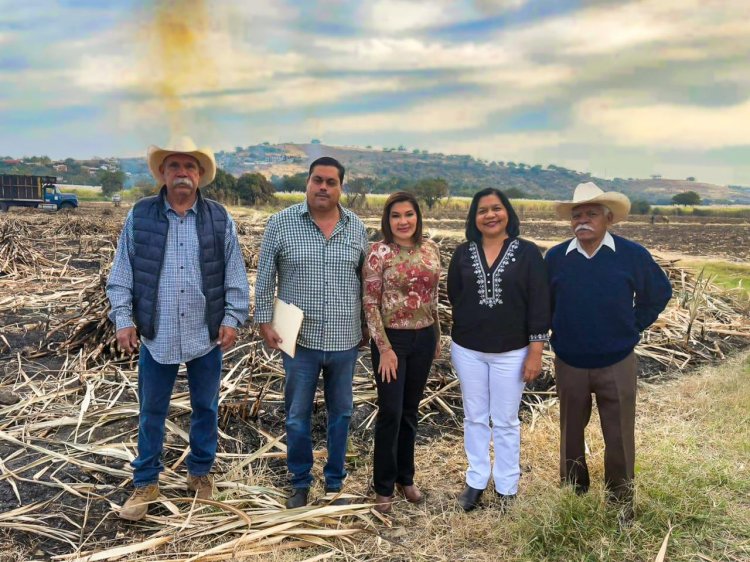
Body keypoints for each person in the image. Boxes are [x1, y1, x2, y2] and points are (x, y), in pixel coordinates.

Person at [107, 136, 249, 521]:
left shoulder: (219, 218)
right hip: (158, 333)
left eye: (190, 167)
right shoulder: (140, 216)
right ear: (163, 174)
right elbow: (121, 274)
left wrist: (233, 318)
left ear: (200, 175)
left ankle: (200, 474)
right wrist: (123, 320)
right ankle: (146, 483)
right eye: (175, 167)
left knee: (205, 407)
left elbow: (235, 273)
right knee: (151, 410)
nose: (183, 173)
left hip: (205, 334)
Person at [545, 182, 672, 521]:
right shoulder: (556, 258)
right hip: (569, 360)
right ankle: (574, 489)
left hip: (617, 360)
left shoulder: (632, 255)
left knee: (618, 434)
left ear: (608, 218)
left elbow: (659, 292)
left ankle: (621, 501)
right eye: (577, 215)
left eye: (590, 214)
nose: (582, 220)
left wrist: (632, 326)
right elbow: (544, 305)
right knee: (570, 430)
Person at [255, 156, 369, 508]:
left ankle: (334, 482)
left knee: (342, 413)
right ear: (307, 182)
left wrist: (367, 325)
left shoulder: (356, 227)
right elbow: (264, 278)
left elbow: (366, 281)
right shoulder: (281, 223)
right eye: (317, 180)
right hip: (298, 341)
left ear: (340, 187)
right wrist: (263, 322)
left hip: (344, 339)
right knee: (296, 414)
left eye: (331, 182)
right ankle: (300, 481)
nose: (323, 187)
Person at [447, 188, 550, 512]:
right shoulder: (463, 253)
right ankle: (476, 480)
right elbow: (455, 295)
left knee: (505, 420)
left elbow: (539, 302)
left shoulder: (528, 253)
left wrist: (536, 349)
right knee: (475, 417)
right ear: (473, 218)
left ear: (508, 213)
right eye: (482, 210)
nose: (490, 215)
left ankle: (507, 485)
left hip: (513, 352)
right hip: (468, 350)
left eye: (496, 208)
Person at [362, 192, 441, 514]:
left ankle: (405, 478)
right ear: (388, 219)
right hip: (391, 340)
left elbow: (433, 296)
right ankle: (383, 486)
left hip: (423, 338)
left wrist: (437, 335)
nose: (403, 221)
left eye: (409, 214)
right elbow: (369, 304)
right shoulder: (378, 253)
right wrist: (386, 350)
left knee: (410, 411)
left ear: (417, 217)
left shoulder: (431, 250)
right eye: (396, 215)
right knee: (390, 412)